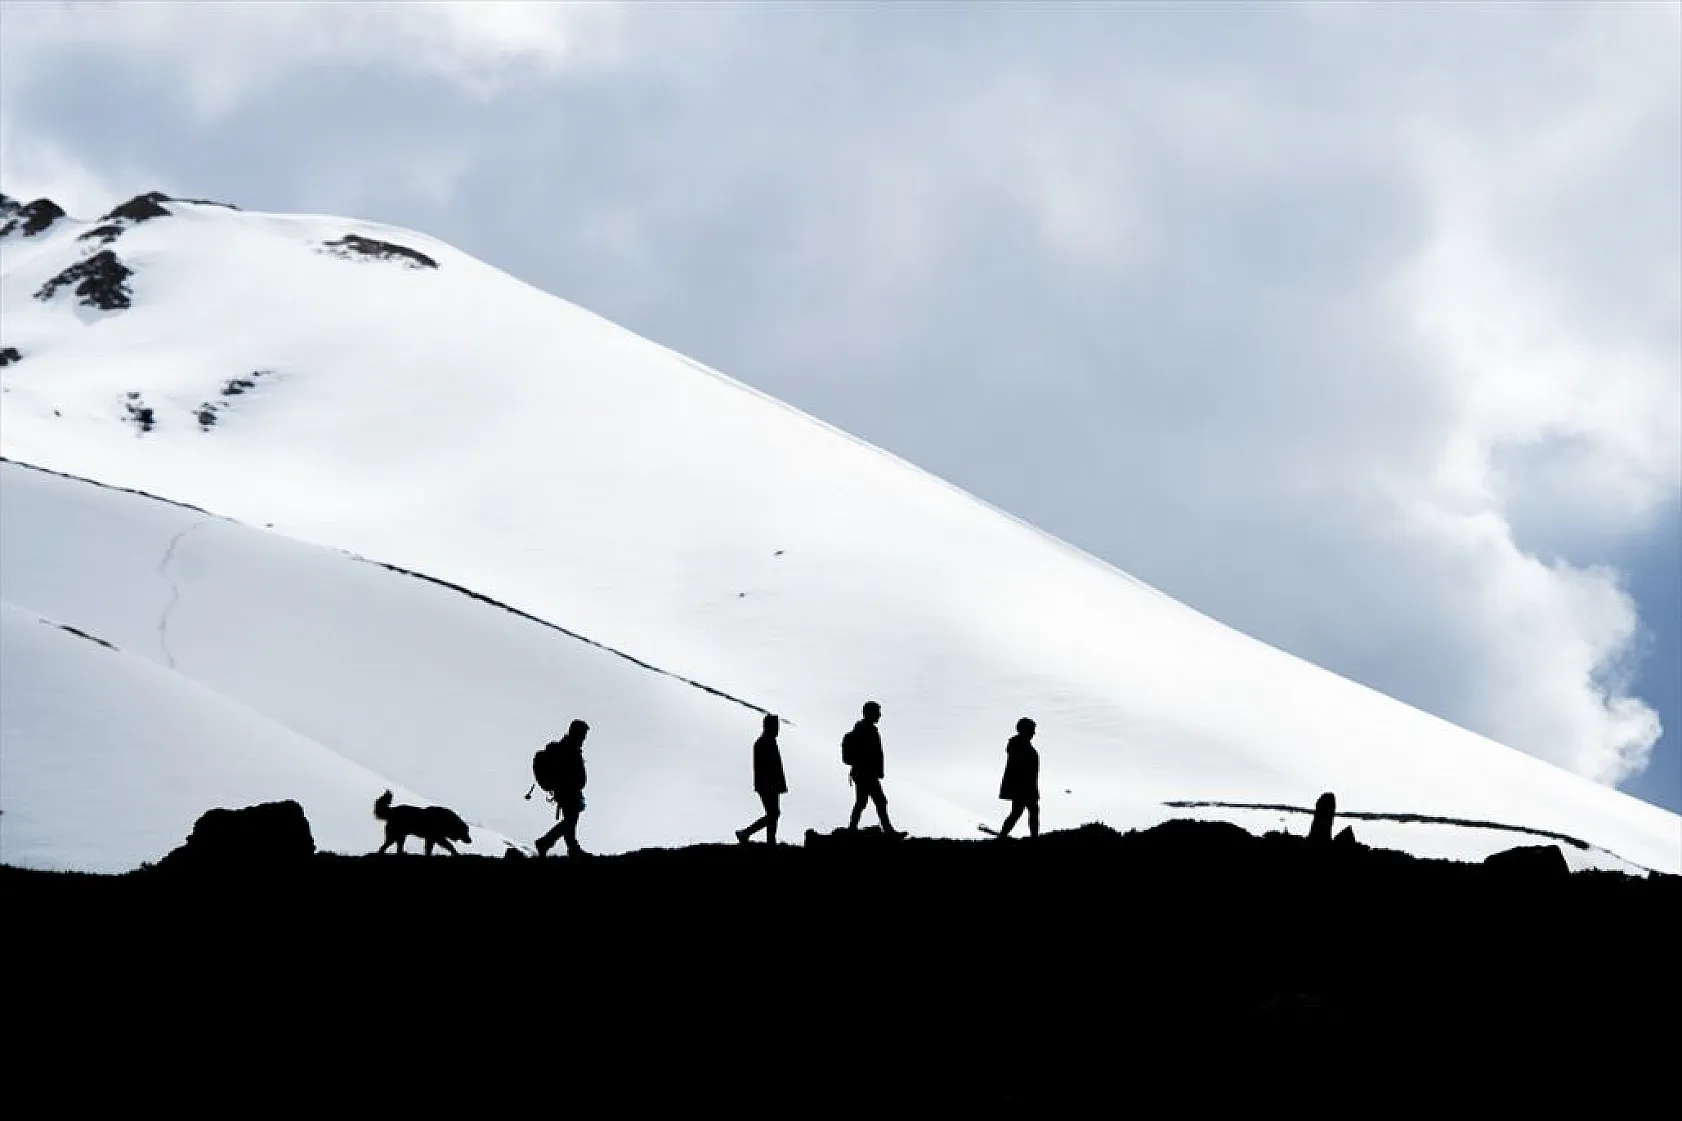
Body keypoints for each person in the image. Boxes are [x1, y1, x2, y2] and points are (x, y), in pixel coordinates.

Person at [844, 700, 901, 837]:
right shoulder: (866, 730)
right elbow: (872, 753)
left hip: (862, 773)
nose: (879, 715)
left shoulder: (862, 729)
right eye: (877, 712)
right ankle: (888, 831)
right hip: (866, 773)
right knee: (878, 801)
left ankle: (853, 829)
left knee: (863, 802)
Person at [535, 719, 590, 857]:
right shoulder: (569, 748)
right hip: (568, 792)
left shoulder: (567, 746)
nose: (584, 738)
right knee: (570, 821)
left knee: (570, 822)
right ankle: (545, 842)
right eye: (583, 734)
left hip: (566, 792)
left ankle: (572, 848)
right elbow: (570, 772)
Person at [736, 713, 787, 845]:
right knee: (773, 813)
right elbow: (767, 766)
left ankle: (770, 840)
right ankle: (746, 833)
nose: (778, 729)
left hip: (771, 784)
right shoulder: (763, 742)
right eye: (776, 726)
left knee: (773, 813)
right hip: (767, 785)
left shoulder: (768, 741)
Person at [993, 717, 1040, 838]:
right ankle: (1032, 837)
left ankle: (1004, 835)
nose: (1033, 733)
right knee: (1022, 812)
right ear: (1024, 730)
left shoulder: (1022, 746)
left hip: (1027, 787)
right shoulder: (1018, 746)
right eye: (1031, 730)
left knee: (1021, 812)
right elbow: (1021, 768)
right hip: (1021, 787)